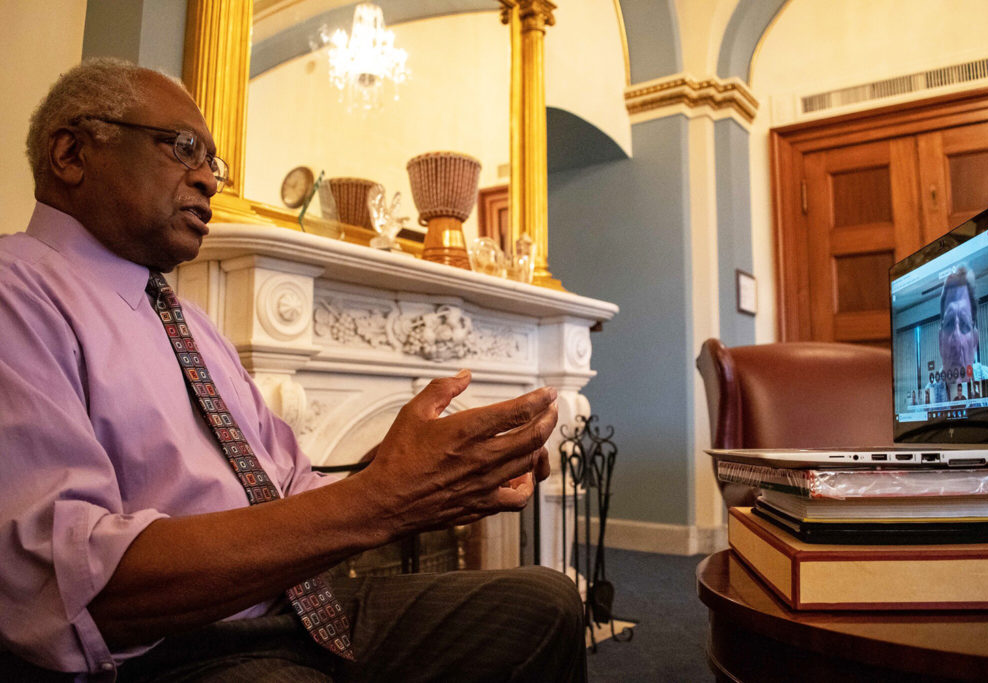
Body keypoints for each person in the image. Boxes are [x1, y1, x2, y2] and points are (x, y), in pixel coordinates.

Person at [0, 59, 585, 681]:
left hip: (297, 603)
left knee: (544, 604)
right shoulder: (18, 292)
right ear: (71, 153)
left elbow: (292, 489)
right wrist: (380, 499)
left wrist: (422, 477)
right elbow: (81, 589)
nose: (208, 182)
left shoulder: (191, 325)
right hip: (170, 648)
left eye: (213, 165)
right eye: (184, 149)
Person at [927, 264, 988, 403]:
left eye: (964, 325)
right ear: (940, 341)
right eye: (949, 324)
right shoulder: (930, 394)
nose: (957, 339)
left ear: (975, 341)